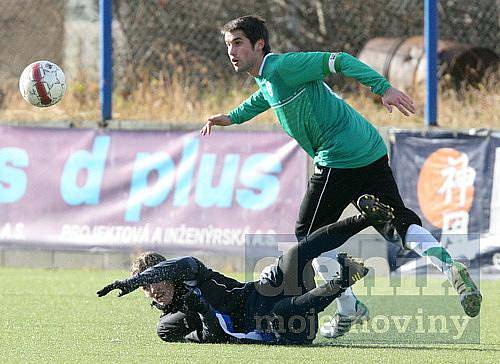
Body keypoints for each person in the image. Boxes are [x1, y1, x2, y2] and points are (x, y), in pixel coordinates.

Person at [199, 15, 482, 338]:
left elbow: (339, 60)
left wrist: (384, 88)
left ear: (259, 44)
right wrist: (230, 118)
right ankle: (450, 267)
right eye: (227, 45)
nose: (231, 51)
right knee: (397, 222)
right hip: (369, 148)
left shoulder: (282, 67)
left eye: (237, 43)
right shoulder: (269, 79)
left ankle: (349, 307)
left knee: (308, 237)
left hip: (339, 155)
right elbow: (263, 99)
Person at [97, 195, 393, 344]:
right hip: (280, 331)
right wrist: (200, 308)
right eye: (147, 288)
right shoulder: (175, 318)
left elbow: (184, 262)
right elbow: (216, 336)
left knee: (294, 254)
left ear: (168, 273)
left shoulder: (191, 272)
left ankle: (365, 218)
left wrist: (135, 279)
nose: (154, 289)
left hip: (260, 291)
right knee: (282, 310)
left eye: (156, 279)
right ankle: (344, 279)